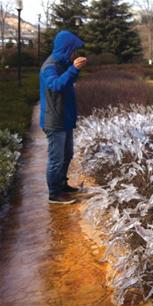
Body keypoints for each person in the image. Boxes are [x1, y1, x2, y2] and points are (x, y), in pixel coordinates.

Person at [39, 30, 87, 204]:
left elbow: (68, 82)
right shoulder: (49, 67)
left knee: (67, 155)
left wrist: (74, 69)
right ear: (66, 49)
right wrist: (73, 69)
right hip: (54, 120)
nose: (75, 53)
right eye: (73, 49)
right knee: (56, 159)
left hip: (64, 119)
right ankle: (54, 193)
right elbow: (56, 86)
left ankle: (62, 185)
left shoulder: (62, 64)